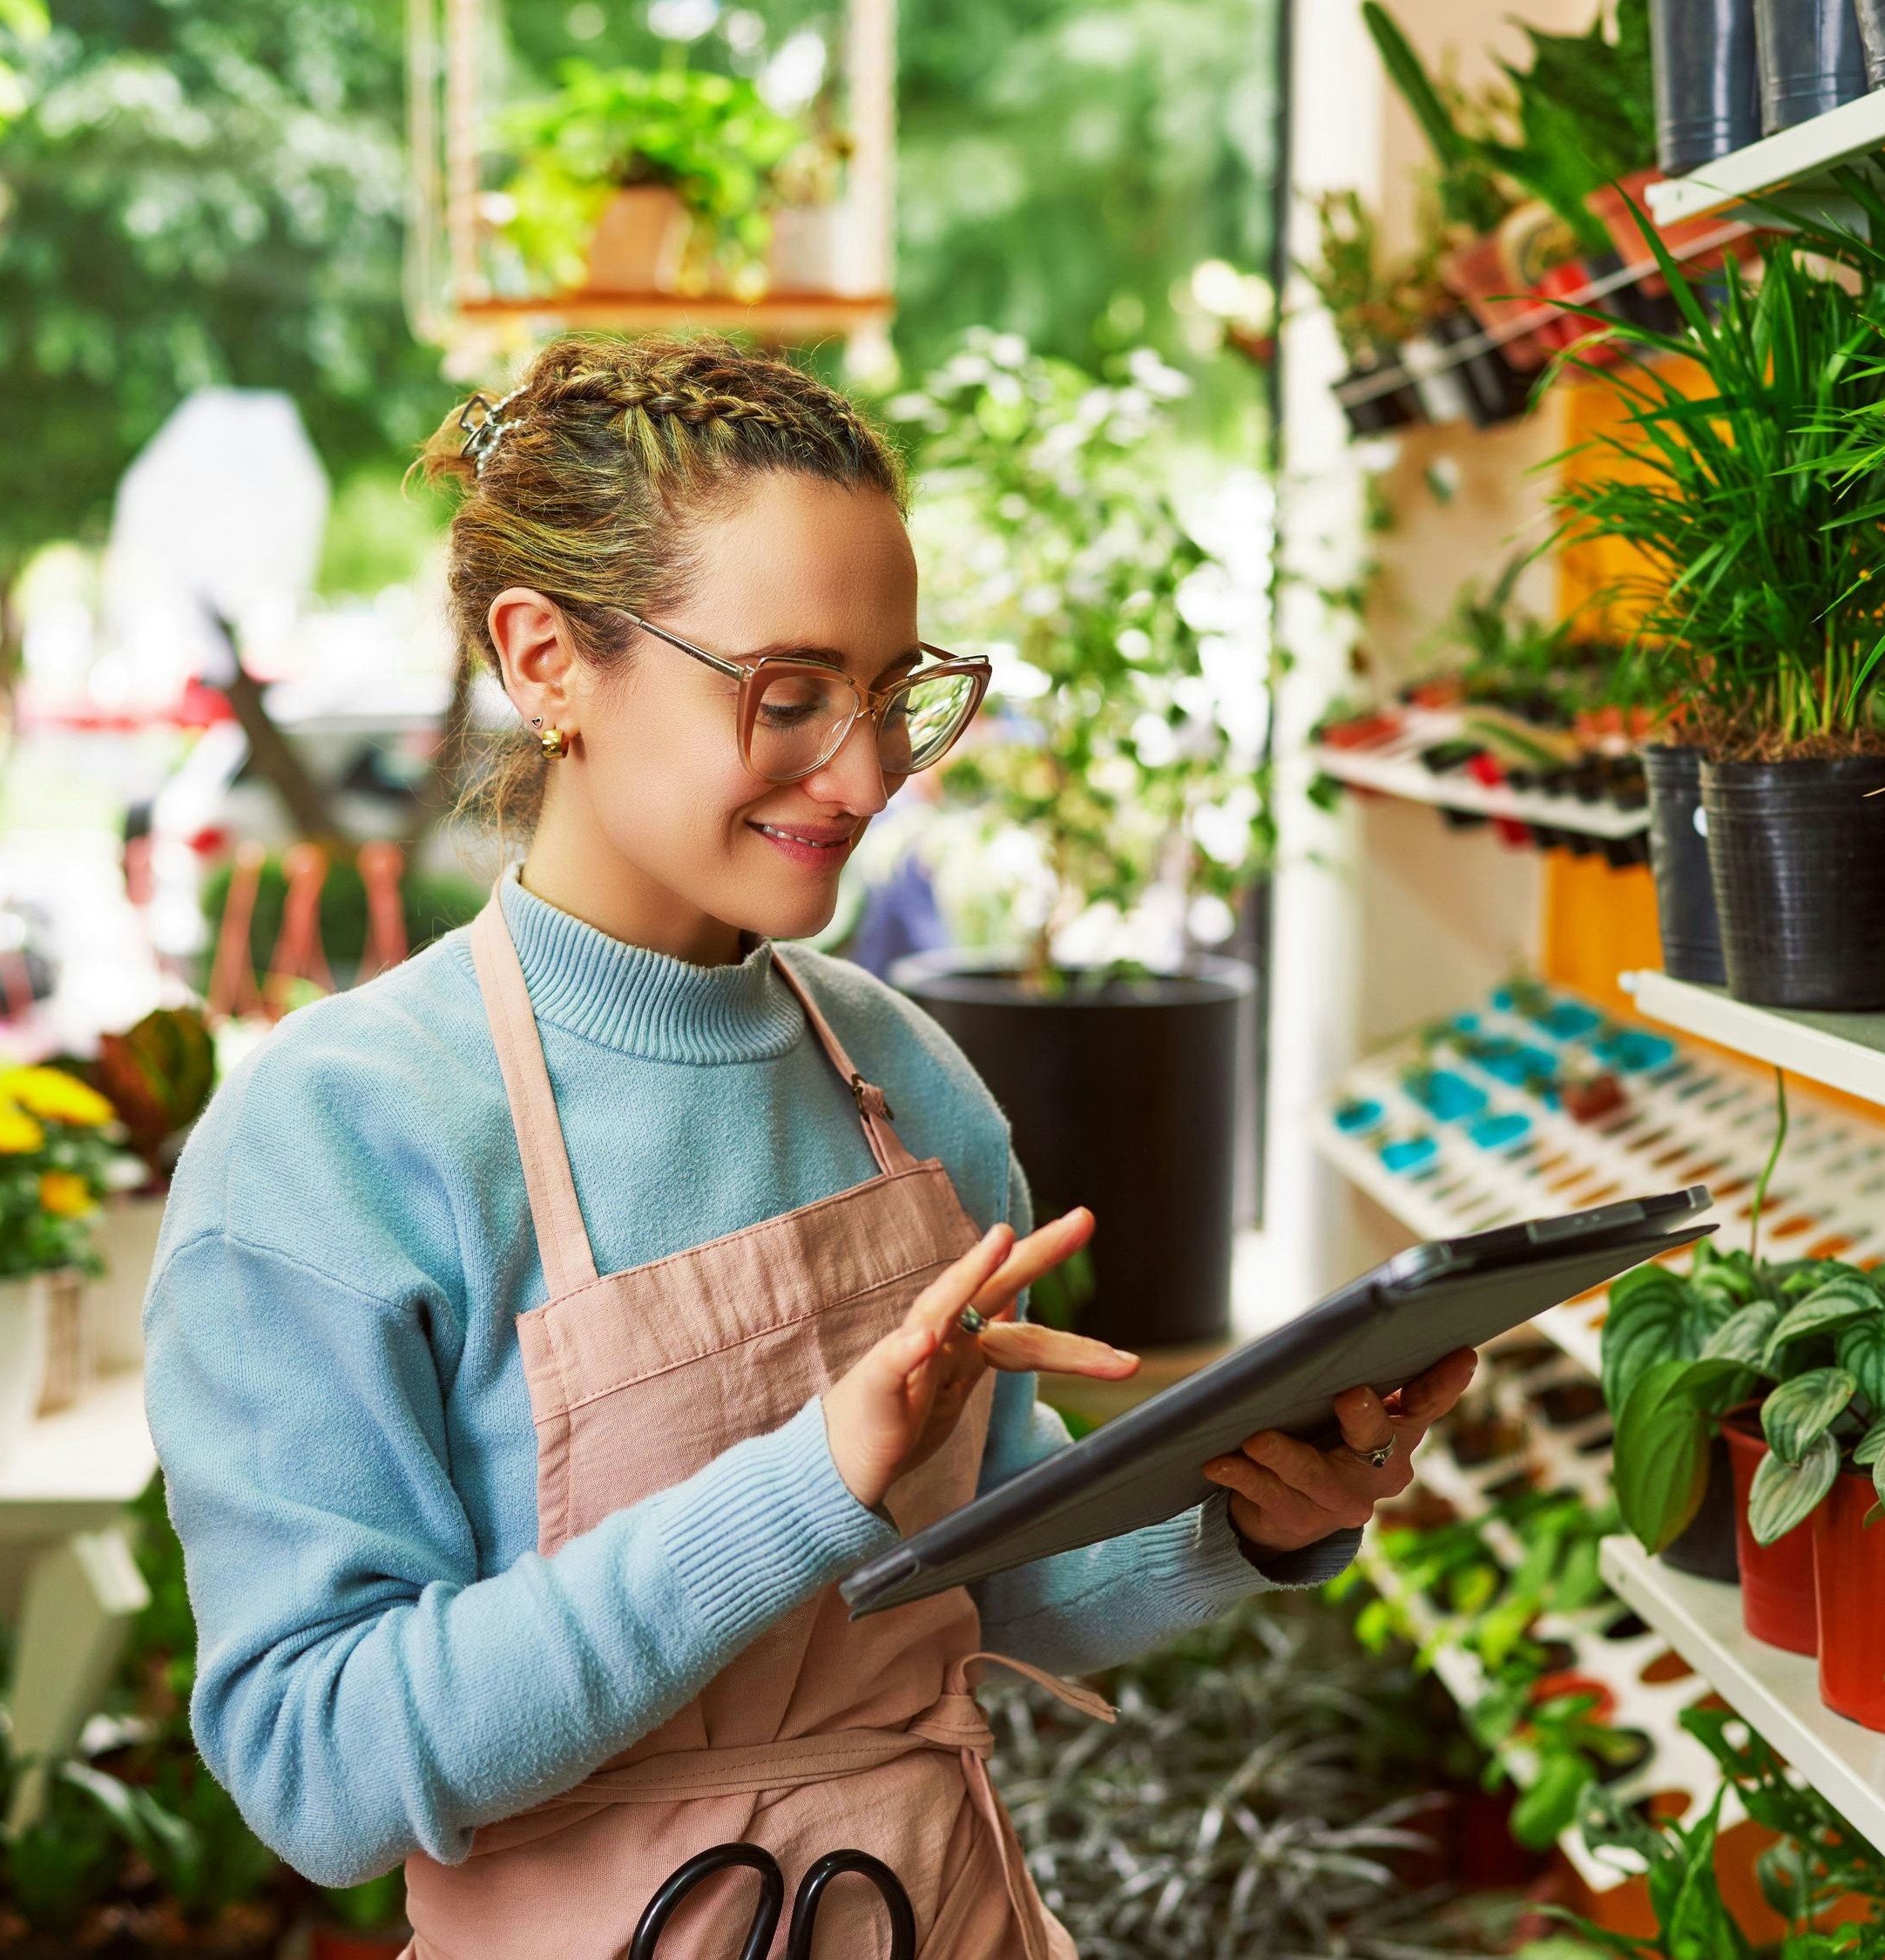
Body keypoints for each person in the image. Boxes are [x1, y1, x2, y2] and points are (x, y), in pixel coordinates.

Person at [143, 337, 1479, 1960]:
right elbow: (317, 1763)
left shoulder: (909, 1078)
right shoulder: (338, 1138)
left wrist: (1256, 1513)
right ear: (548, 657)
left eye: (892, 691)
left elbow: (973, 1581)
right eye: (786, 697)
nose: (864, 775)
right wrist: (804, 1484)